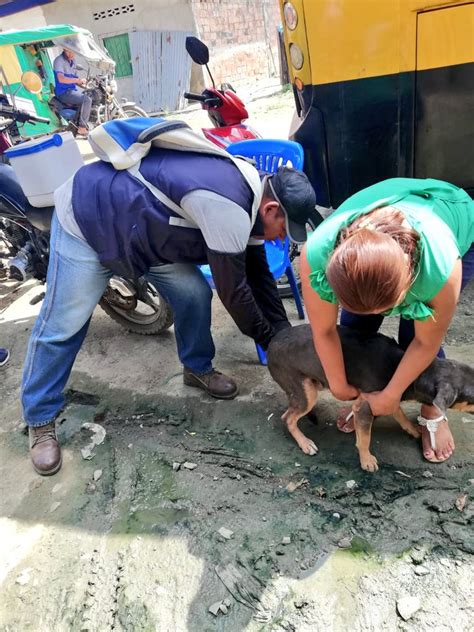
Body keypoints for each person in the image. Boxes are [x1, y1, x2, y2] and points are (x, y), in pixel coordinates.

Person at [21, 137, 316, 476]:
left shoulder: (253, 194)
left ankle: (197, 368)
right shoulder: (228, 207)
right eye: (284, 228)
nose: (282, 238)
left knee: (193, 294)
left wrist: (286, 343)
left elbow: (259, 276)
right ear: (271, 210)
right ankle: (40, 416)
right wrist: (278, 348)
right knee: (63, 324)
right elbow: (235, 293)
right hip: (90, 221)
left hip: (145, 233)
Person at [300, 177, 474, 464]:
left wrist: (392, 395)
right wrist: (339, 383)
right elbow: (325, 330)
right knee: (355, 328)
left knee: (412, 335)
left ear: (408, 288)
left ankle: (432, 409)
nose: (379, 315)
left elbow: (424, 342)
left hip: (452, 216)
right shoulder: (317, 252)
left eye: (386, 308)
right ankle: (365, 398)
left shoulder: (440, 268)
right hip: (377, 219)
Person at [53, 47, 91, 136]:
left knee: (89, 95)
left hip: (72, 90)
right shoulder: (59, 61)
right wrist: (77, 80)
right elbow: (61, 79)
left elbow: (75, 79)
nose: (71, 54)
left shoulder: (73, 61)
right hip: (63, 92)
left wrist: (84, 84)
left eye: (73, 52)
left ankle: (79, 123)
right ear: (64, 50)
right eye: (68, 52)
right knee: (87, 100)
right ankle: (82, 127)